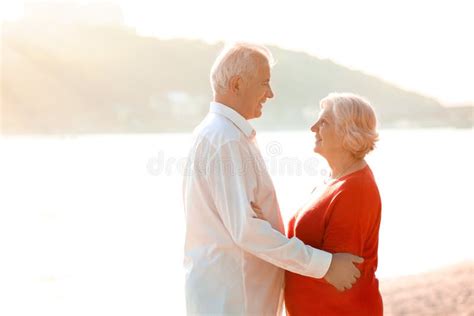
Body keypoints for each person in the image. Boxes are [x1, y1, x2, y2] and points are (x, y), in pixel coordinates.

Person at [182, 43, 364, 315]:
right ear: (237, 84)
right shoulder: (227, 140)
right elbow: (247, 230)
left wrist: (257, 219)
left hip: (228, 297)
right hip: (235, 301)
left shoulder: (218, 133)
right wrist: (324, 265)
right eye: (264, 83)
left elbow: (242, 224)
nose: (270, 93)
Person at [280, 93, 383, 315]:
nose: (313, 127)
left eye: (324, 122)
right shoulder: (333, 180)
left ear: (348, 133)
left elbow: (340, 276)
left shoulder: (356, 189)